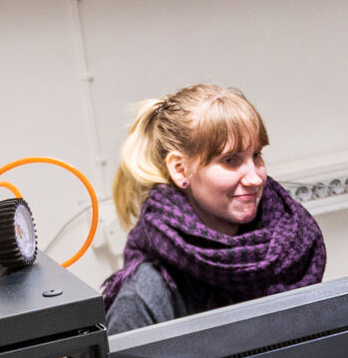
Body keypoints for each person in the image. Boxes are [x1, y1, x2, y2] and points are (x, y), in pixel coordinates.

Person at [101, 84, 326, 334]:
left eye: (257, 155)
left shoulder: (293, 250)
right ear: (179, 169)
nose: (255, 178)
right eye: (230, 160)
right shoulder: (142, 297)